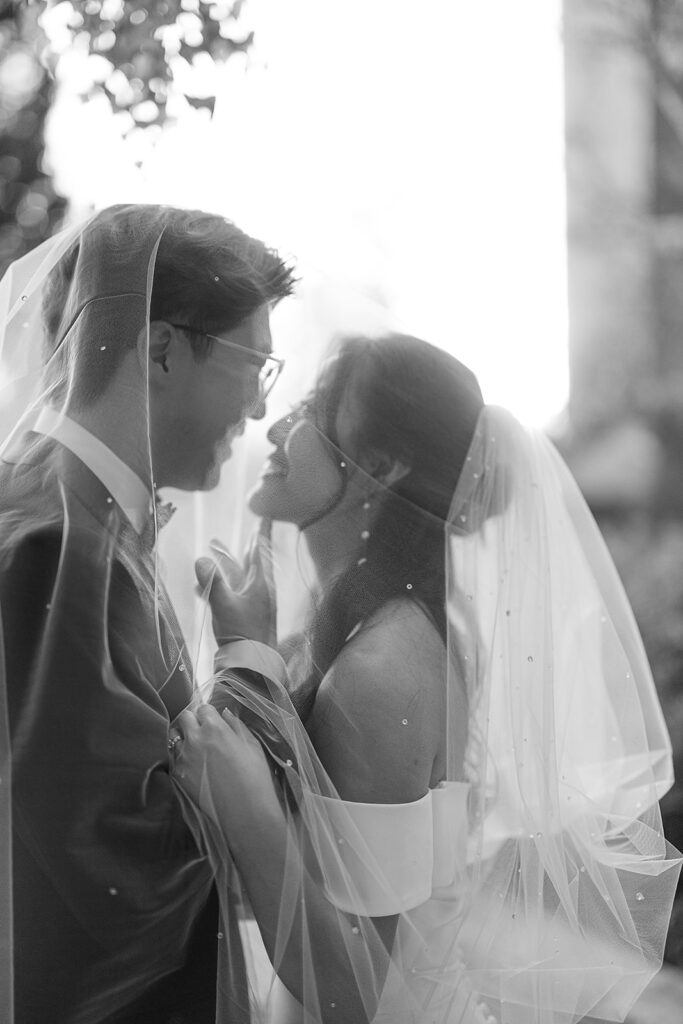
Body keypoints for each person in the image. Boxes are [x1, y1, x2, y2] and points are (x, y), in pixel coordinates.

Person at [172, 333, 682, 1024]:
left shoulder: (382, 671)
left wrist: (251, 814)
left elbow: (359, 991)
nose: (276, 426)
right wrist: (249, 648)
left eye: (311, 410)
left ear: (379, 462)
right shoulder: (388, 628)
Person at [0, 203, 295, 1024]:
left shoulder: (69, 510)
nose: (263, 409)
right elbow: (114, 871)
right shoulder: (55, 545)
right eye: (254, 365)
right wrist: (247, 663)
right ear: (160, 348)